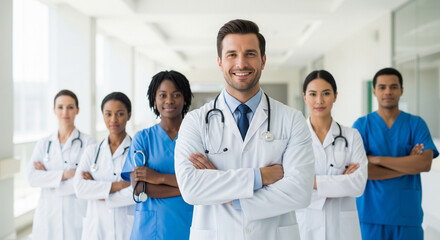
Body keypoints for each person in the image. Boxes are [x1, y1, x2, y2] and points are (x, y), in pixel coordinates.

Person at [174, 19, 315, 240]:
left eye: (250, 54)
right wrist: (260, 177)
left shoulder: (292, 120)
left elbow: (299, 191)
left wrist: (230, 196)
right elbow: (191, 188)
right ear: (220, 62)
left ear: (263, 60)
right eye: (232, 55)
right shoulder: (195, 121)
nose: (241, 63)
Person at [353, 67, 439, 240]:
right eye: (382, 87)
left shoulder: (416, 124)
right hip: (371, 217)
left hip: (407, 216)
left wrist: (377, 159)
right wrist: (408, 165)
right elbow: (361, 170)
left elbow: (424, 164)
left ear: (401, 90)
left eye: (393, 87)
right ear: (374, 91)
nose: (388, 91)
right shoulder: (362, 126)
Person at [121, 70, 194, 240]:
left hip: (187, 224)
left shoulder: (195, 137)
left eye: (176, 94)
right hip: (150, 230)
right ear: (154, 99)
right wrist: (187, 188)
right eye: (162, 95)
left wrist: (158, 177)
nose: (169, 100)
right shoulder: (143, 138)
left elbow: (203, 181)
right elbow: (139, 188)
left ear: (185, 99)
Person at [296, 70, 368, 240]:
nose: (319, 101)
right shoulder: (294, 138)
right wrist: (341, 182)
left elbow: (358, 184)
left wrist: (311, 182)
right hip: (305, 226)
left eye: (326, 93)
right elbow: (291, 185)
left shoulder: (352, 136)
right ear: (305, 97)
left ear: (335, 96)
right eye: (313, 94)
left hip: (342, 229)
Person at [26, 89, 95, 240]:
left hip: (75, 213)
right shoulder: (44, 143)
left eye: (70, 107)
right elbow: (31, 177)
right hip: (47, 214)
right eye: (60, 107)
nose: (65, 112)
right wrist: (67, 174)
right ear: (54, 110)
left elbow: (86, 182)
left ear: (77, 110)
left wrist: (48, 180)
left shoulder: (89, 143)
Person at [73, 92, 134, 239]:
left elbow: (136, 192)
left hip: (126, 228)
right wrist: (120, 185)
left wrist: (97, 190)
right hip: (96, 229)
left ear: (129, 115)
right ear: (103, 115)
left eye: (120, 113)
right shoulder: (92, 151)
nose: (113, 119)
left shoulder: (137, 151)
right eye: (108, 114)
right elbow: (80, 189)